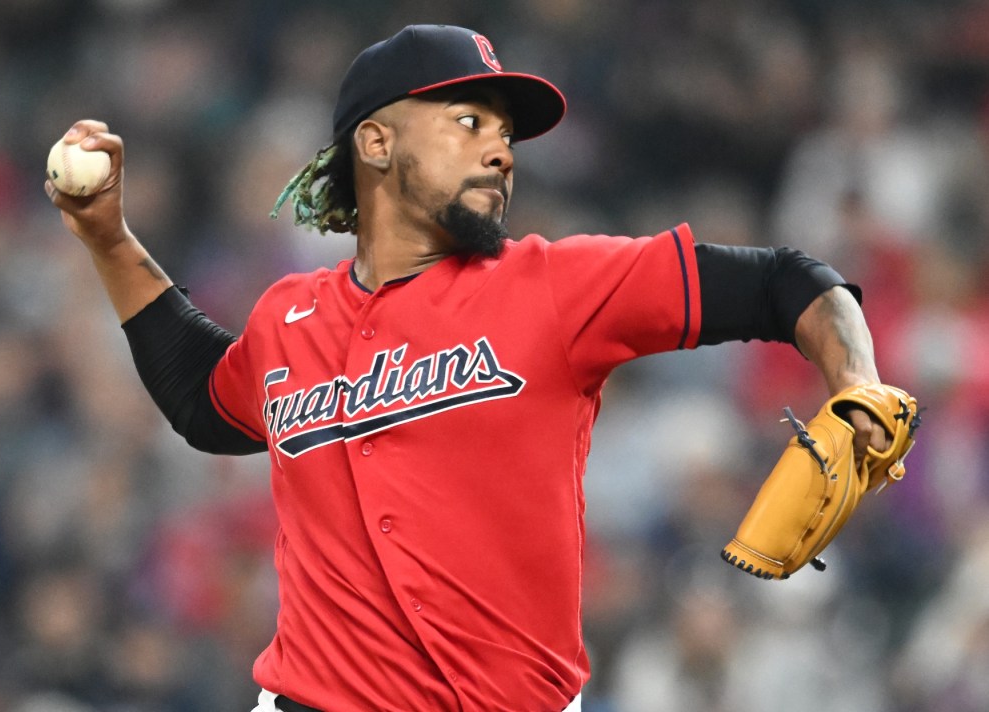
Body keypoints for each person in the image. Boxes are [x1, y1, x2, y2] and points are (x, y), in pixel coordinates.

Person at [46, 24, 890, 712]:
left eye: (504, 132)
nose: (501, 151)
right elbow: (205, 400)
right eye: (469, 120)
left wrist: (857, 383)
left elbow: (785, 280)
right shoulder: (288, 317)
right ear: (376, 142)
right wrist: (109, 240)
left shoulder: (557, 286)